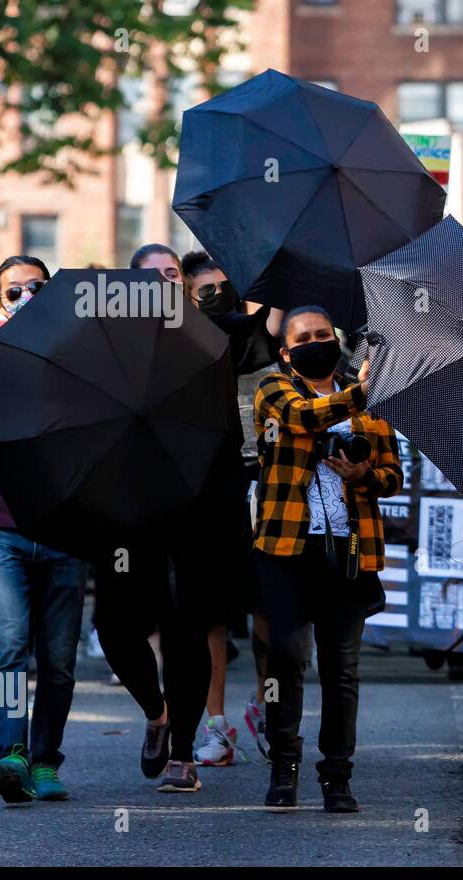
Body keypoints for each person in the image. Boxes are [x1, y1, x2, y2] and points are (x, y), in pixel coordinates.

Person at [90, 242, 244, 794]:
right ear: (127, 288)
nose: (162, 283)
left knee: (189, 628)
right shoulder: (106, 346)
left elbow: (262, 333)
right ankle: (156, 713)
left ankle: (182, 752)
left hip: (198, 505)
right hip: (126, 510)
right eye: (149, 276)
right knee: (114, 623)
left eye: (171, 274)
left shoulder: (210, 337)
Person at [254, 305, 402, 812]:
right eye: (306, 336)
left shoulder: (373, 405)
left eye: (325, 333)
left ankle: (337, 776)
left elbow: (391, 475)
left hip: (349, 550)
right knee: (286, 661)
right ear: (286, 350)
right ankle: (283, 768)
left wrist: (363, 477)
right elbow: (302, 418)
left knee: (342, 670)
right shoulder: (274, 391)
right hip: (287, 551)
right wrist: (360, 391)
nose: (318, 341)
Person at [0, 255, 89, 803]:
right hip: (1, 530)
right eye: (14, 292)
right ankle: (11, 755)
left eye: (37, 288)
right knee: (9, 644)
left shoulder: (82, 365)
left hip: (66, 530)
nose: (26, 297)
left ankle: (44, 762)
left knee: (59, 661)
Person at [180, 250, 285, 765]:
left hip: (267, 487)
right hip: (208, 491)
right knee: (212, 615)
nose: (220, 299)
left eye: (229, 288)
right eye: (207, 292)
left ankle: (265, 711)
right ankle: (215, 725)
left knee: (269, 609)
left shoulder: (266, 336)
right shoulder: (180, 348)